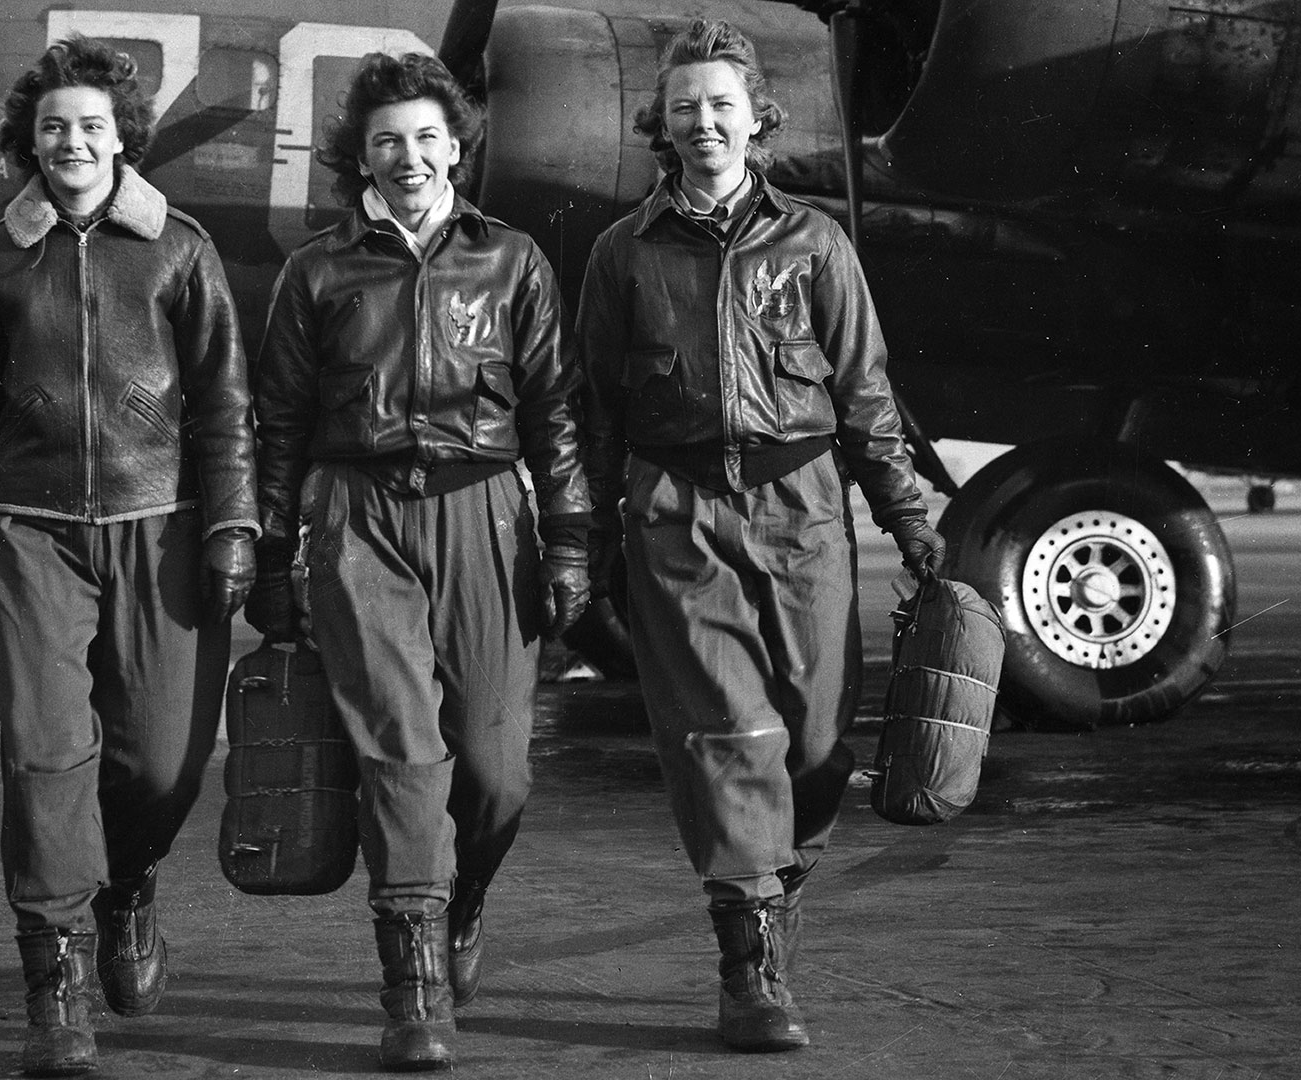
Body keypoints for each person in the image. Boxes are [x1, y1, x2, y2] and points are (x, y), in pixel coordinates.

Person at [577, 18, 948, 1053]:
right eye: (684, 107)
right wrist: (584, 541)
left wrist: (909, 519)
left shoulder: (816, 244)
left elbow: (866, 395)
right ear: (662, 125)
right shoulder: (621, 254)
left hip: (803, 511)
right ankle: (750, 966)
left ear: (756, 119)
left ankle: (775, 890)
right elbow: (596, 408)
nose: (703, 122)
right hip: (677, 513)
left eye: (721, 105)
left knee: (817, 746)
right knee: (725, 733)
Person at [0, 35, 256, 1078]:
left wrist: (234, 526)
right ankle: (54, 987)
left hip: (162, 526)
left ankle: (128, 884)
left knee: (162, 762)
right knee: (47, 758)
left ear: (122, 137)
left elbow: (225, 405)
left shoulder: (181, 248)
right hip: (29, 531)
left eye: (92, 125)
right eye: (54, 126)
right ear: (31, 140)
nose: (73, 142)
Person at [250, 52, 590, 1072]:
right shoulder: (316, 272)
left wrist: (570, 541)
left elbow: (554, 413)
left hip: (485, 514)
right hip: (358, 518)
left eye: (427, 137)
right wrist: (274, 554)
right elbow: (279, 426)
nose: (408, 156)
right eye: (387, 140)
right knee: (401, 755)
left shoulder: (513, 261)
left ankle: (462, 897)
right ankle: (414, 987)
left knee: (494, 772)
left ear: (457, 147)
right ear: (361, 155)